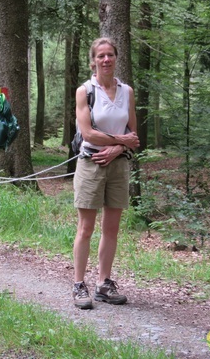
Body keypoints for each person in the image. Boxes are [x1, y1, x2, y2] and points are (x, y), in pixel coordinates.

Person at [71, 38, 140, 310]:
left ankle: (103, 283)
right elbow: (87, 133)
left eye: (110, 55)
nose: (106, 60)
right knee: (86, 227)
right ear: (93, 61)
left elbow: (134, 136)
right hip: (91, 163)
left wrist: (115, 148)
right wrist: (118, 142)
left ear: (116, 58)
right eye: (101, 56)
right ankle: (78, 285)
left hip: (119, 165)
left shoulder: (127, 91)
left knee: (111, 228)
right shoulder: (85, 91)